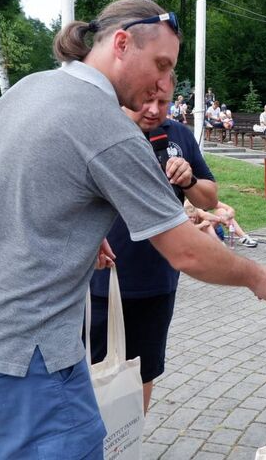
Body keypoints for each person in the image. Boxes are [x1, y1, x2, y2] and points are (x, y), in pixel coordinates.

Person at [0, 0, 266, 458]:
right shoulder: (108, 126)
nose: (164, 83)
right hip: (23, 358)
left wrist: (78, 224)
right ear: (121, 43)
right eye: (160, 64)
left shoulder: (29, 88)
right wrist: (257, 276)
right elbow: (187, 251)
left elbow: (10, 193)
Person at [89, 77, 220, 413]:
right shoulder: (101, 131)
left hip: (157, 281)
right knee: (90, 373)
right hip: (101, 279)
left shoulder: (178, 136)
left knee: (143, 371)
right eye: (147, 101)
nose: (154, 110)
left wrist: (189, 179)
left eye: (163, 103)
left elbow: (210, 197)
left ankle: (130, 441)